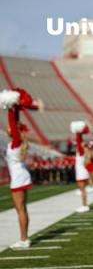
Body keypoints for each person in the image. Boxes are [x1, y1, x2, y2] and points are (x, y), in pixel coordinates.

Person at [5, 90, 33, 249]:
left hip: (18, 177)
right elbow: (15, 122)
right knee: (22, 208)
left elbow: (12, 124)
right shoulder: (16, 142)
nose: (9, 129)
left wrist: (10, 106)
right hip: (21, 175)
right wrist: (16, 108)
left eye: (13, 128)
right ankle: (24, 238)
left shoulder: (16, 142)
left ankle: (24, 239)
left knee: (20, 209)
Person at [71, 121, 90, 213]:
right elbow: (79, 142)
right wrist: (80, 134)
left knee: (83, 191)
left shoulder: (80, 151)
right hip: (82, 171)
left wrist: (78, 133)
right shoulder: (81, 151)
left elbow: (79, 142)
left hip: (81, 172)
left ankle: (84, 205)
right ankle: (84, 205)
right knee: (83, 190)